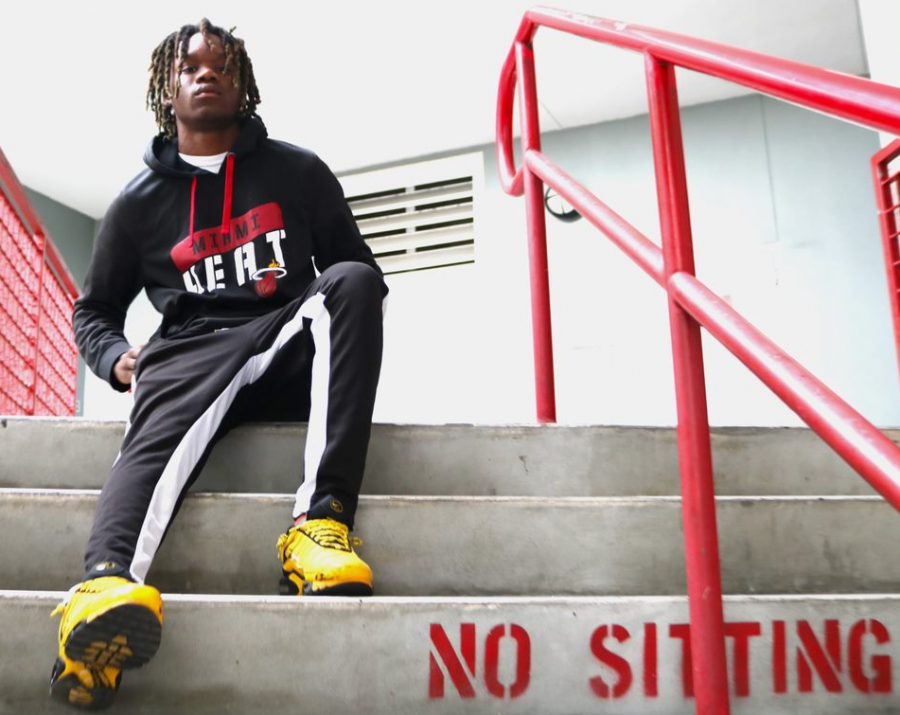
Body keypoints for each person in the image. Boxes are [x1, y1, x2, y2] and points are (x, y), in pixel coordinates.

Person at [50, 19, 386, 709]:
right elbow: (94, 311)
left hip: (283, 339)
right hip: (191, 351)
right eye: (190, 67)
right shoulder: (137, 202)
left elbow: (359, 268)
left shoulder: (298, 172)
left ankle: (319, 526)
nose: (207, 74)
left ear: (244, 85)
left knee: (350, 283)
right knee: (150, 435)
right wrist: (116, 360)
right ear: (165, 89)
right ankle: (104, 596)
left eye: (222, 65)